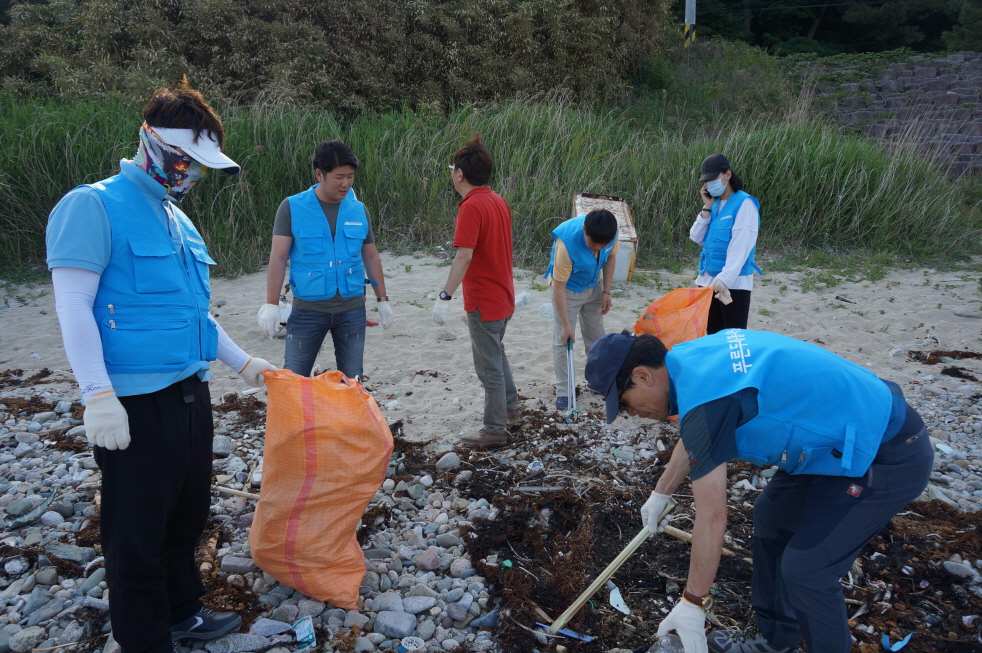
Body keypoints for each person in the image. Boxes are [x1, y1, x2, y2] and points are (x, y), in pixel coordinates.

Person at [46, 82, 277, 652]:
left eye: (201, 167)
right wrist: (97, 394)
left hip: (188, 393)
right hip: (133, 404)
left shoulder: (177, 220)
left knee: (186, 516)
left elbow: (195, 313)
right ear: (153, 144)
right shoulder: (92, 206)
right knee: (136, 533)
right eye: (188, 162)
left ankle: (181, 612)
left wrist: (244, 364)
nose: (192, 175)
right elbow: (73, 305)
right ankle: (145, 637)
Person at [584, 329, 932, 653]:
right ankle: (777, 638)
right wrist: (661, 492)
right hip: (837, 438)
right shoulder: (690, 360)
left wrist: (693, 602)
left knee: (807, 569)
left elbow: (712, 517)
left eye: (625, 401)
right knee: (772, 513)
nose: (632, 412)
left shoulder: (705, 400)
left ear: (643, 375)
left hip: (886, 451)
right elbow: (697, 435)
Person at [258, 140, 394, 378]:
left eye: (350, 177)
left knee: (352, 379)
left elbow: (371, 257)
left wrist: (382, 299)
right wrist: (271, 304)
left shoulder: (358, 209)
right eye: (339, 176)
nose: (346, 183)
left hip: (352, 310)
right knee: (295, 378)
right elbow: (278, 258)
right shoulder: (292, 207)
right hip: (308, 310)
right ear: (319, 174)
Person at [433, 135, 519, 445]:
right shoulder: (497, 200)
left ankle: (494, 430)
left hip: (484, 300)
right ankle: (512, 410)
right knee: (498, 354)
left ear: (459, 174)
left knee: (488, 368)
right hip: (503, 296)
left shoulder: (471, 207)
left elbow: (464, 256)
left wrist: (445, 296)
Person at [544, 209, 618, 410]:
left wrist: (606, 292)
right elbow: (558, 287)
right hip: (568, 289)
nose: (598, 249)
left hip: (595, 285)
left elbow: (610, 257)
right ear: (585, 230)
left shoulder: (611, 231)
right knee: (563, 340)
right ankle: (564, 391)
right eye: (594, 244)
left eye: (602, 245)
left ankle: (597, 382)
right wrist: (566, 325)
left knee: (596, 337)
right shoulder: (566, 244)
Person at [689, 154, 762, 334]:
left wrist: (725, 278)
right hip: (708, 281)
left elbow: (741, 246)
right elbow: (696, 237)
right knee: (713, 335)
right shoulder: (713, 204)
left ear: (727, 175)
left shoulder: (745, 204)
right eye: (706, 181)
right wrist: (706, 207)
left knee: (733, 337)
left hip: (733, 284)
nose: (709, 184)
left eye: (713, 179)